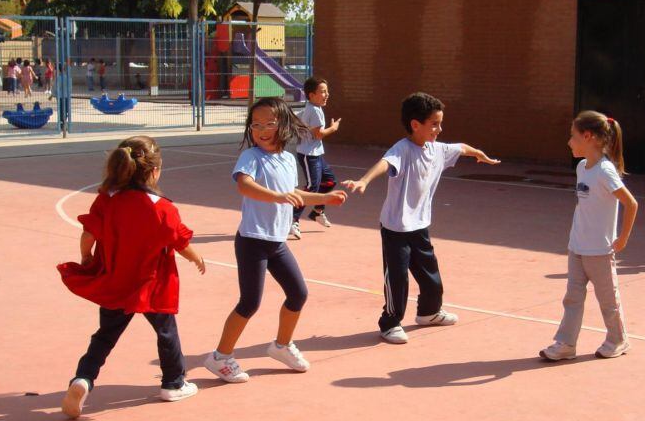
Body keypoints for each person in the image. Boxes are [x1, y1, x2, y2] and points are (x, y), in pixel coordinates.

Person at [56, 136, 205, 419]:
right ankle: (173, 383)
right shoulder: (161, 206)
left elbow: (89, 234)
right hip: (151, 283)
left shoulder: (107, 199)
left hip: (116, 279)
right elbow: (178, 240)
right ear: (154, 170)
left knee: (104, 336)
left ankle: (82, 380)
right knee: (166, 331)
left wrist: (86, 257)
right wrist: (196, 257)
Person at [204, 97, 347, 383]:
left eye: (270, 123)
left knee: (298, 294)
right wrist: (278, 197)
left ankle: (281, 346)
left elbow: (292, 192)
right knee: (249, 303)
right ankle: (220, 357)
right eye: (256, 125)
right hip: (253, 240)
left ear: (283, 124)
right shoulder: (251, 157)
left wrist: (323, 198)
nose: (262, 130)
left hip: (276, 241)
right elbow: (245, 185)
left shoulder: (286, 158)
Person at [342, 92, 500, 344]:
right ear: (416, 125)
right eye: (434, 123)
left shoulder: (437, 149)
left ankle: (428, 312)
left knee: (431, 277)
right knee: (397, 278)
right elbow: (384, 163)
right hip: (395, 227)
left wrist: (478, 153)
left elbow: (461, 147)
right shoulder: (402, 150)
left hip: (420, 226)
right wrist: (363, 180)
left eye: (440, 122)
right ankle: (390, 323)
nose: (440, 128)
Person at [540, 112, 638, 361]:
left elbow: (631, 203)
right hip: (577, 247)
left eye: (573, 137)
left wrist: (623, 238)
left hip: (600, 251)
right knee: (572, 297)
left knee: (608, 301)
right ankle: (566, 344)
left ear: (588, 137)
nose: (569, 142)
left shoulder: (605, 171)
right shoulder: (582, 167)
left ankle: (618, 339)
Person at [290, 76, 342, 240]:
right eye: (323, 92)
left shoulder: (311, 108)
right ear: (311, 95)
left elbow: (299, 117)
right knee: (312, 187)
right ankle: (292, 219)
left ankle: (317, 211)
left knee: (329, 181)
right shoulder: (315, 110)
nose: (327, 94)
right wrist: (333, 128)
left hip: (316, 154)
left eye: (327, 91)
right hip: (308, 155)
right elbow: (318, 135)